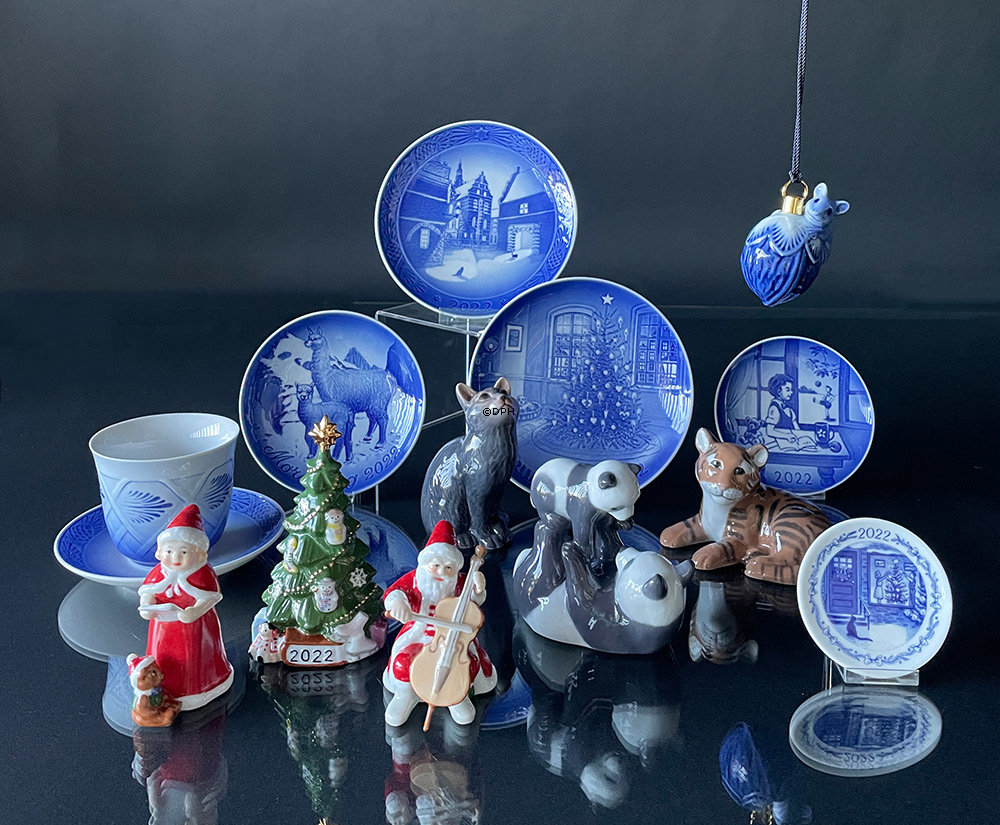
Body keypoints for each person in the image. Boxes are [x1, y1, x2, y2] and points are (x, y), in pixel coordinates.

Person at [382, 521, 496, 727]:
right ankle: (405, 695)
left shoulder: (461, 583)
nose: (441, 572)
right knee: (404, 661)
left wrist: (477, 589)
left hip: (456, 638)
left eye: (448, 568)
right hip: (418, 635)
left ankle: (456, 697)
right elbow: (395, 592)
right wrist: (398, 603)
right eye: (436, 566)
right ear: (426, 563)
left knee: (466, 663)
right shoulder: (416, 580)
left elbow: (472, 602)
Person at [138, 505, 234, 711]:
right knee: (163, 658)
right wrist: (147, 606)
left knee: (193, 658)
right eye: (169, 551)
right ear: (160, 552)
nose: (175, 558)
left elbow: (210, 597)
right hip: (163, 629)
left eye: (183, 552)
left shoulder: (202, 573)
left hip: (195, 628)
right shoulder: (159, 572)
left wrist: (194, 611)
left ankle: (199, 688)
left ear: (198, 554)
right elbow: (148, 592)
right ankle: (161, 687)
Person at [764, 374, 817, 451]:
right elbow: (769, 431)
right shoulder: (774, 408)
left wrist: (802, 438)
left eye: (791, 390)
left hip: (793, 442)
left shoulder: (789, 409)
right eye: (788, 390)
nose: (791, 392)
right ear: (779, 391)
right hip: (782, 445)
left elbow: (796, 429)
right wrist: (786, 436)